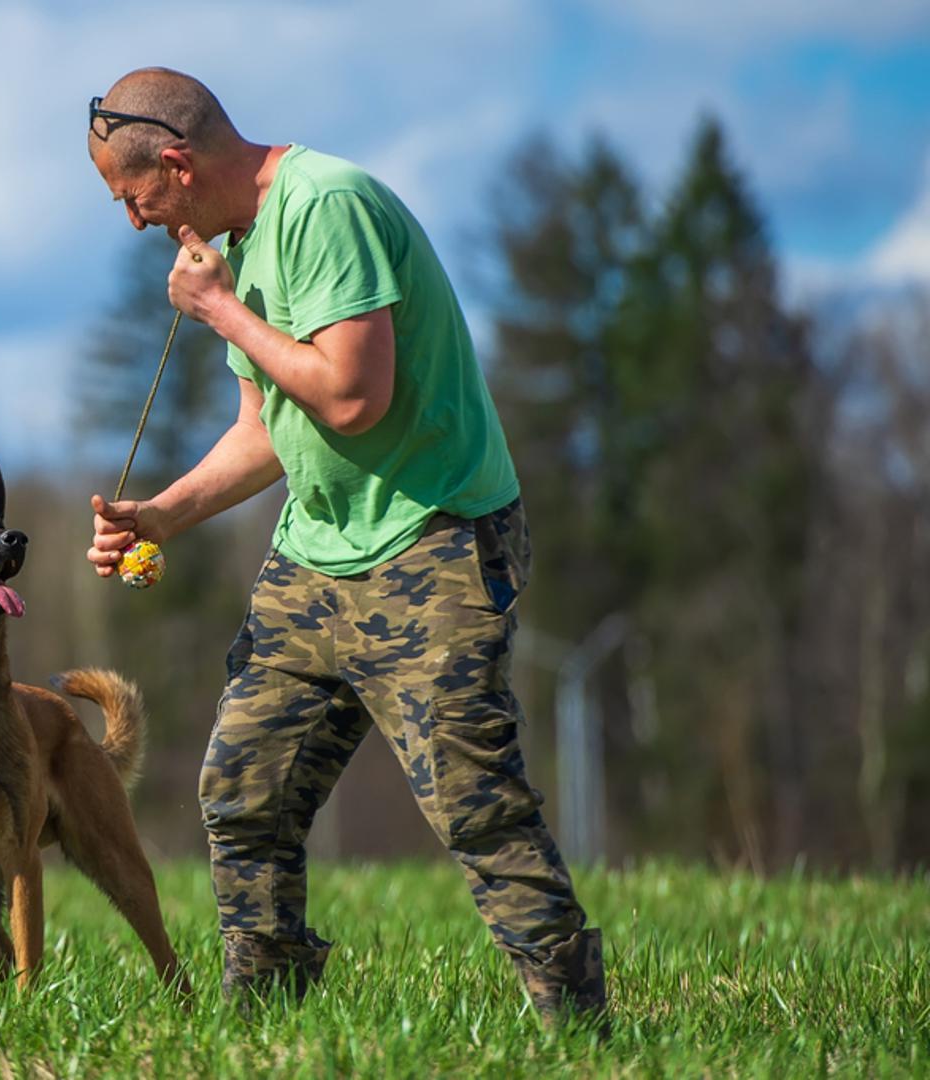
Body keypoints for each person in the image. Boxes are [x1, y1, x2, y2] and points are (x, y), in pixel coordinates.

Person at [84, 67, 606, 1024]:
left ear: (177, 163)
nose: (134, 221)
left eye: (133, 197)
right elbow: (268, 427)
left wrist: (223, 312)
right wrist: (162, 513)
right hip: (315, 559)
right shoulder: (234, 245)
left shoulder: (329, 207)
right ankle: (266, 1015)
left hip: (434, 541)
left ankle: (575, 1023)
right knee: (243, 788)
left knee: (474, 801)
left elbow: (352, 397)